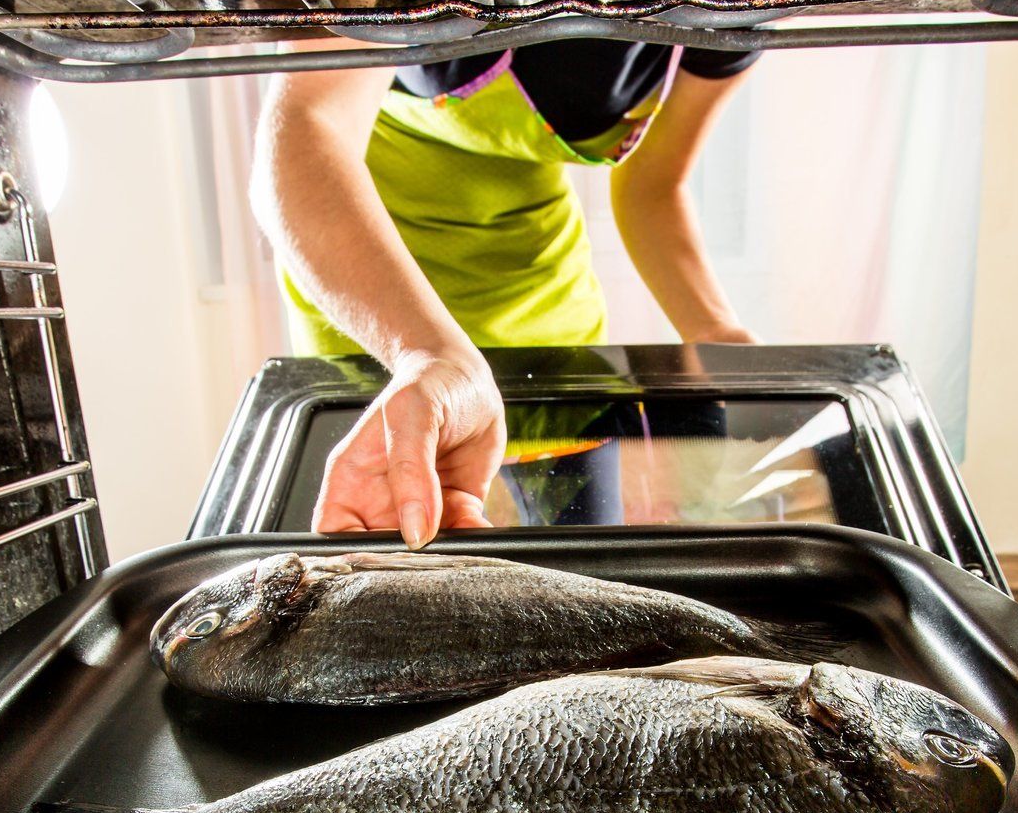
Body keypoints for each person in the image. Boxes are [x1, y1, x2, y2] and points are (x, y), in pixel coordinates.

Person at [251, 38, 760, 547]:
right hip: (376, 281)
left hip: (538, 284)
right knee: (405, 560)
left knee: (584, 556)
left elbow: (654, 186)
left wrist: (714, 329)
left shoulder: (733, 4)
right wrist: (426, 353)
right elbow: (307, 129)